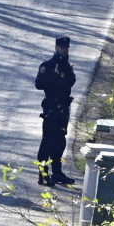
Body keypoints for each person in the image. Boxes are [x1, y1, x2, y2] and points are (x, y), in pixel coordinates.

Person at [35, 36, 76, 186]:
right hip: (51, 108)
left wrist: (64, 70)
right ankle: (43, 174)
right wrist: (54, 75)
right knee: (48, 141)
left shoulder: (66, 65)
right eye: (62, 47)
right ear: (56, 47)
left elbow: (71, 81)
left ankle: (57, 173)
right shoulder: (48, 65)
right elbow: (39, 84)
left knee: (60, 141)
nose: (64, 50)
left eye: (66, 48)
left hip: (64, 109)